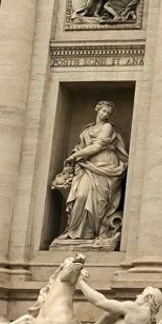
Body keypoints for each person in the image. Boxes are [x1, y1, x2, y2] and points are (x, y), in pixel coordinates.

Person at [59, 102, 128, 241]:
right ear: (97, 109)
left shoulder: (107, 127)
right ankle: (74, 231)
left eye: (108, 113)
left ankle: (91, 232)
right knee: (81, 195)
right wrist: (75, 154)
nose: (105, 114)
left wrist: (74, 156)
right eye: (103, 111)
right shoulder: (87, 130)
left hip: (105, 166)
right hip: (87, 165)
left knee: (99, 202)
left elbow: (97, 147)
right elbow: (81, 147)